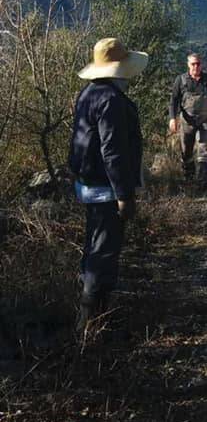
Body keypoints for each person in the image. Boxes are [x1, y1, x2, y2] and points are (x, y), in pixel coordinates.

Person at [69, 37, 148, 330]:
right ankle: (89, 323)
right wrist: (124, 195)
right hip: (106, 188)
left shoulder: (88, 93)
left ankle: (95, 314)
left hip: (89, 185)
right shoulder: (112, 100)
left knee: (94, 245)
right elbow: (112, 150)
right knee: (103, 248)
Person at [169, 53, 207, 185]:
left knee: (204, 150)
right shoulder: (180, 80)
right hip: (187, 122)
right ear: (188, 65)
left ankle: (202, 182)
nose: (196, 66)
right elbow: (174, 101)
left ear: (201, 65)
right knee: (186, 151)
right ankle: (189, 178)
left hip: (205, 121)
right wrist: (172, 118)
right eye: (193, 64)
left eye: (198, 64)